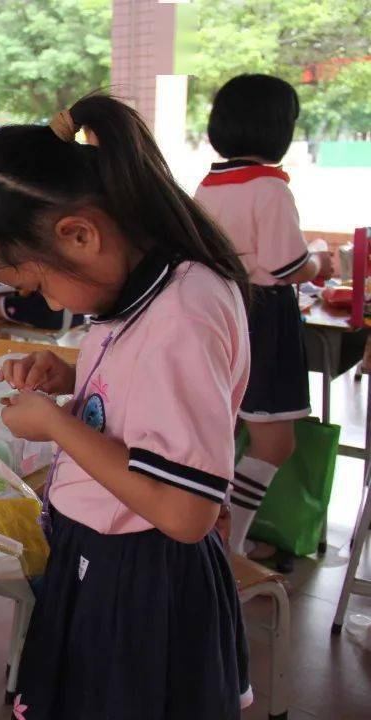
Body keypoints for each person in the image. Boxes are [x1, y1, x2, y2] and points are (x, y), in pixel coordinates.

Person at [0, 95, 252, 719]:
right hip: (99, 556)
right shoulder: (141, 289)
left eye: (38, 284)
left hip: (142, 577)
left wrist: (54, 424)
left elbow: (184, 511)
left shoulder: (184, 311)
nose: (50, 301)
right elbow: (151, 389)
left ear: (79, 234)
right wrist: (72, 374)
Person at [194, 74, 333, 558]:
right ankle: (227, 546)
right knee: (274, 444)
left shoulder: (210, 183)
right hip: (264, 318)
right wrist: (321, 262)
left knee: (221, 434)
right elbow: (286, 266)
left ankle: (212, 535)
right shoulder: (270, 189)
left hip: (220, 310)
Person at [0, 288, 84, 338]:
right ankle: (0, 359)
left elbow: (25, 289)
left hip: (51, 315)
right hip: (76, 316)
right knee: (0, 304)